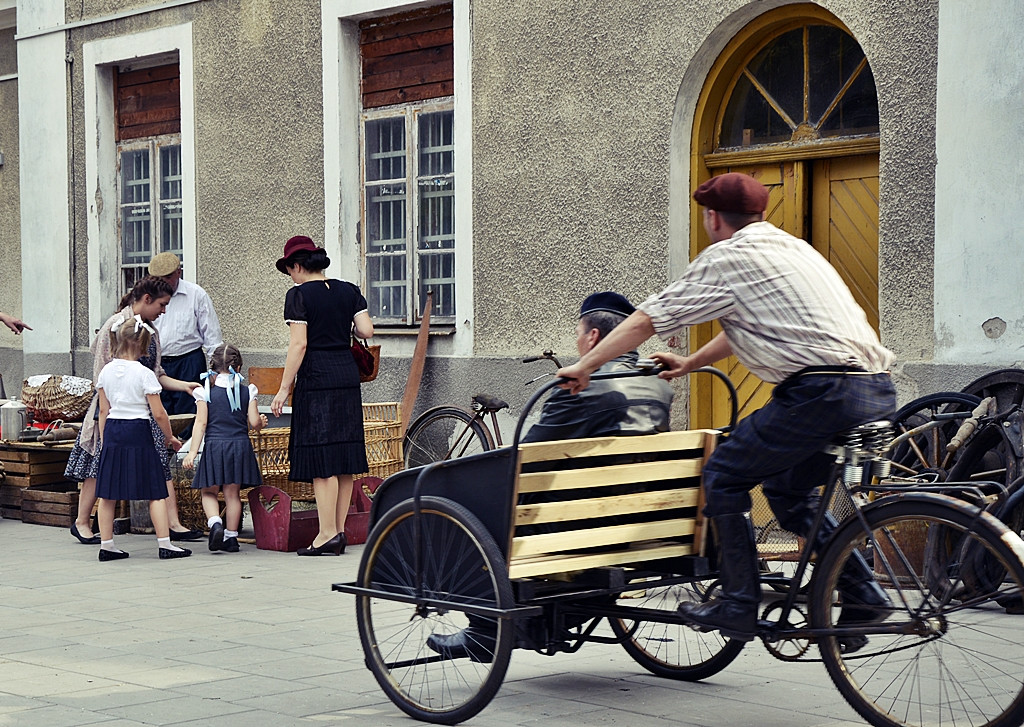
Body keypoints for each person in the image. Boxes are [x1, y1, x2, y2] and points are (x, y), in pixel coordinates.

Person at [556, 172, 897, 651]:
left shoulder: (727, 258)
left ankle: (738, 602)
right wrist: (691, 362)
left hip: (821, 394)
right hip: (875, 389)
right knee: (786, 489)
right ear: (760, 213)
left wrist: (587, 364)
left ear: (712, 217)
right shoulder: (793, 249)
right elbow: (746, 326)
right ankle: (864, 591)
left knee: (723, 474)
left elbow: (646, 319)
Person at [426, 291, 675, 662]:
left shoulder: (582, 388)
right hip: (643, 521)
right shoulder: (659, 385)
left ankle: (483, 630)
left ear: (592, 337)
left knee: (487, 505)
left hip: (580, 529)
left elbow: (523, 457)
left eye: (578, 332)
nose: (577, 341)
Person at [65, 276, 204, 545]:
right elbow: (102, 377)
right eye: (162, 305)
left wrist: (184, 386)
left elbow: (155, 373)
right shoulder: (117, 326)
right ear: (146, 299)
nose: (164, 311)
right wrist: (111, 413)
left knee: (159, 465)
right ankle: (82, 521)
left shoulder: (150, 330)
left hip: (139, 411)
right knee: (98, 467)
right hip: (113, 411)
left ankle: (172, 523)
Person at [270, 235, 374, 556]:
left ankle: (326, 533)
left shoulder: (298, 296)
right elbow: (367, 331)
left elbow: (298, 345)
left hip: (316, 377)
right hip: (345, 376)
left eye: (290, 270)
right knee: (343, 459)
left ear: (297, 265)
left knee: (322, 459)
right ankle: (338, 532)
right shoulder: (348, 290)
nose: (291, 277)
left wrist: (284, 389)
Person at [94, 314, 191, 561]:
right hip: (138, 430)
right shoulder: (144, 373)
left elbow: (103, 411)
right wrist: (170, 437)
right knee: (155, 490)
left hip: (114, 430)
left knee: (107, 492)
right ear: (140, 345)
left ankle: (107, 545)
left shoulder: (106, 371)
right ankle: (165, 544)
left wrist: (106, 442)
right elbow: (159, 413)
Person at [182, 343, 267, 553]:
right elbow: (254, 421)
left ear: (212, 366)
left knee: (208, 491)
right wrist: (261, 423)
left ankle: (214, 523)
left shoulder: (204, 392)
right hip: (239, 446)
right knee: (232, 494)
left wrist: (192, 452)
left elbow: (200, 424)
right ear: (238, 367)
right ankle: (231, 538)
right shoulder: (248, 391)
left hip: (214, 446)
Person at [148, 252, 223, 437]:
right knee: (159, 413)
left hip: (189, 362)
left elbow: (211, 335)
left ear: (178, 273)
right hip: (157, 363)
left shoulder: (196, 294)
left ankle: (187, 460)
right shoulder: (148, 298)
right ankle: (164, 459)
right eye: (158, 279)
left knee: (190, 415)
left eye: (167, 278)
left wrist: (216, 371)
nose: (163, 283)